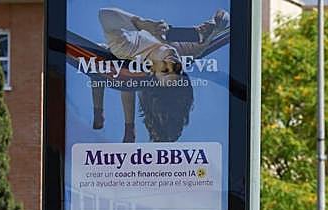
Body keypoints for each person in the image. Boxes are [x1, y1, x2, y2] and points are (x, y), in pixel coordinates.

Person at [91, 6, 230, 141]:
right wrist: (214, 24)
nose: (172, 62)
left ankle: (106, 117)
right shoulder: (188, 52)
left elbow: (104, 15)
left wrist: (141, 24)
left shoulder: (128, 49)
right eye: (177, 69)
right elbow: (225, 17)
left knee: (113, 73)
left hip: (110, 59)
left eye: (165, 70)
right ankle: (107, 117)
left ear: (154, 73)